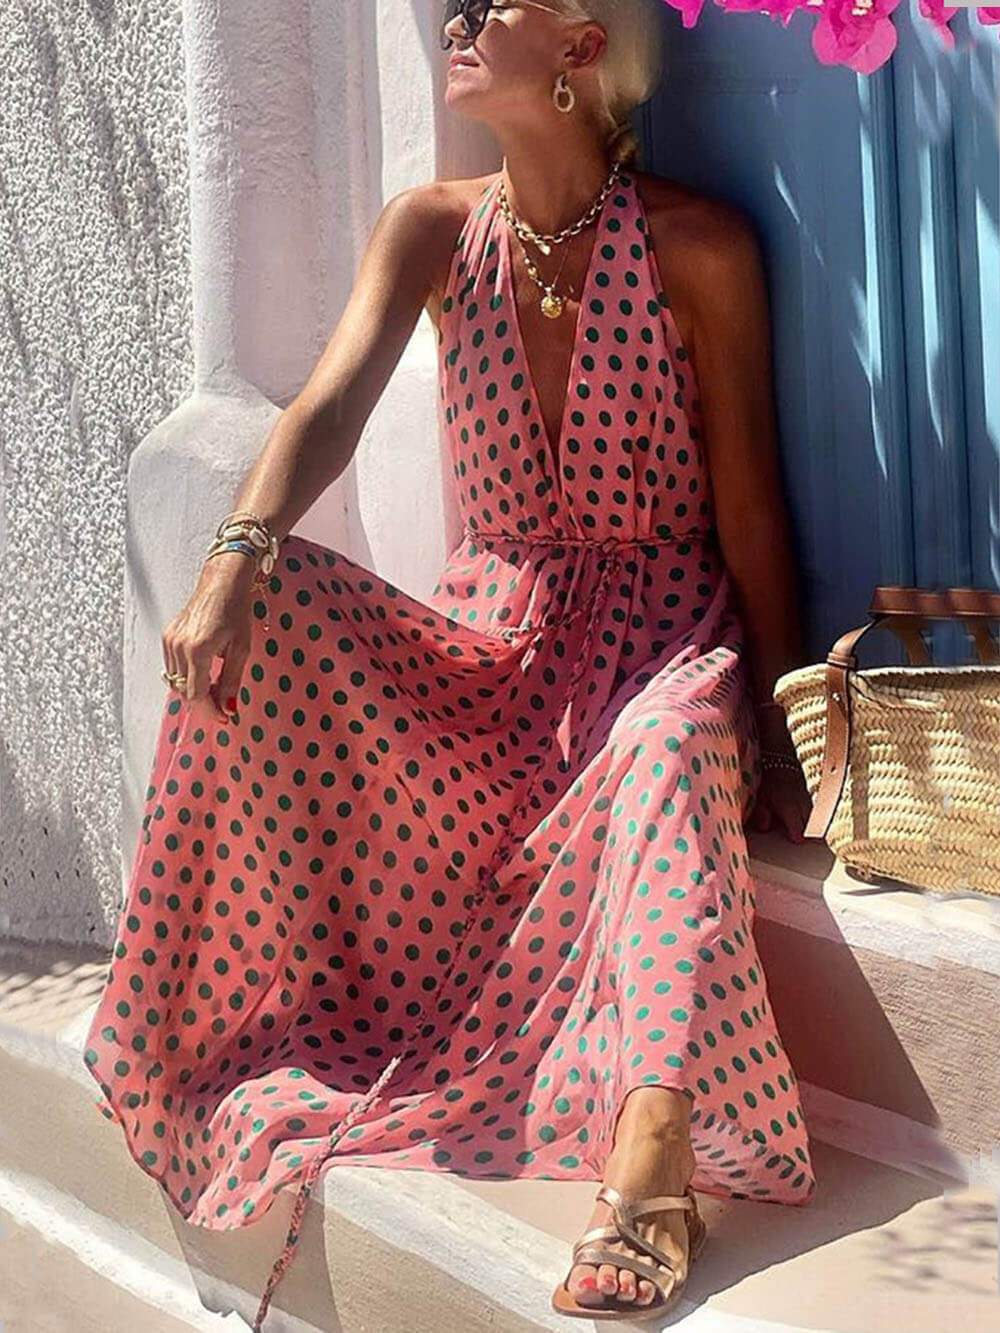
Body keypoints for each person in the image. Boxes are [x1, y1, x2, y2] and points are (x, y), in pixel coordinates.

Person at [83, 0, 818, 1326]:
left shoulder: (698, 247)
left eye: (491, 4)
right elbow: (327, 407)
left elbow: (750, 499)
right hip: (487, 654)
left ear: (583, 46)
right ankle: (252, 1005)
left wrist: (779, 726)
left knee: (666, 740)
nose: (457, 22)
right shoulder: (429, 231)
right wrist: (234, 558)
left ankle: (653, 1153)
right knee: (274, 604)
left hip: (658, 639)